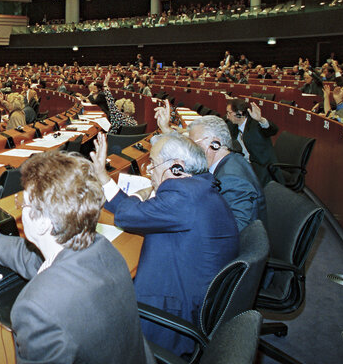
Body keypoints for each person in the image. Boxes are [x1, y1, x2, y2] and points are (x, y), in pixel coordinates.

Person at [0, 151, 154, 364]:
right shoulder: (100, 247)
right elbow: (26, 256)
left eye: (23, 204)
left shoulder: (35, 308)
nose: (20, 209)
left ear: (43, 222)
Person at [91, 132, 238, 356]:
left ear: (177, 168)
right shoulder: (200, 187)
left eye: (153, 164)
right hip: (200, 294)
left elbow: (130, 215)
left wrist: (104, 178)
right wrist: (103, 177)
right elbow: (139, 214)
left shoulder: (183, 194)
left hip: (175, 313)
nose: (149, 171)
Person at [179, 111, 267, 231]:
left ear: (215, 143)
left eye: (194, 145)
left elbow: (238, 229)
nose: (191, 151)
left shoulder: (232, 178)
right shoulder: (230, 159)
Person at [225, 99, 278, 185]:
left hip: (260, 168)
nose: (227, 116)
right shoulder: (232, 125)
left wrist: (261, 120)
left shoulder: (255, 124)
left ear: (239, 113)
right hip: (242, 163)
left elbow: (273, 130)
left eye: (229, 113)